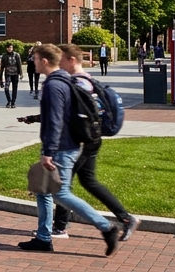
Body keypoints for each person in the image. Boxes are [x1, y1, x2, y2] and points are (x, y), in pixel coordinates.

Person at [21, 44, 139, 243]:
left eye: (64, 59)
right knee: (77, 184)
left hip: (75, 142)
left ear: (70, 60)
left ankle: (97, 226)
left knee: (60, 190)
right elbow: (61, 114)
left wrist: (49, 149)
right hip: (82, 139)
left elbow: (61, 118)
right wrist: (36, 118)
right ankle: (49, 233)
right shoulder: (74, 81)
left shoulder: (70, 83)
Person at [0, 43, 23, 108]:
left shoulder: (16, 55)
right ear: (6, 48)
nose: (10, 49)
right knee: (6, 88)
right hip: (8, 74)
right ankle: (9, 101)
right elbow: (2, 67)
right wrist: (1, 79)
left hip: (15, 74)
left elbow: (19, 64)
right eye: (8, 48)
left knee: (14, 89)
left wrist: (21, 73)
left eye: (11, 47)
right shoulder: (4, 56)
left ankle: (13, 102)